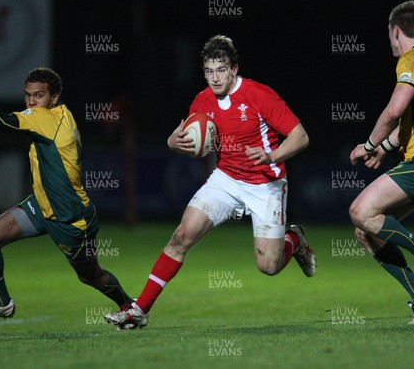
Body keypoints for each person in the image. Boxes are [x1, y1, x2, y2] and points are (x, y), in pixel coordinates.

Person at [104, 35, 316, 329]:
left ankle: (294, 240)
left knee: (268, 266)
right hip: (226, 178)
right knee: (181, 237)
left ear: (234, 69)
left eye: (221, 70)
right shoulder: (202, 101)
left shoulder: (260, 95)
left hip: (266, 182)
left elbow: (301, 137)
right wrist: (172, 141)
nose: (215, 78)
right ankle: (139, 309)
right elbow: (189, 141)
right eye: (209, 71)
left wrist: (272, 154)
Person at [0, 68, 134, 326]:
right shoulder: (59, 115)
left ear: (54, 98)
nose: (32, 102)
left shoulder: (44, 119)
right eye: (28, 95)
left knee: (91, 277)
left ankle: (130, 307)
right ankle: (1, 303)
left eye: (39, 96)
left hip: (70, 219)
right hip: (41, 208)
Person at [348, 0, 414, 325]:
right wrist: (387, 146)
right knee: (366, 231)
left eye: (389, 34)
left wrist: (368, 144)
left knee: (360, 211)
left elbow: (394, 110)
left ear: (396, 31)